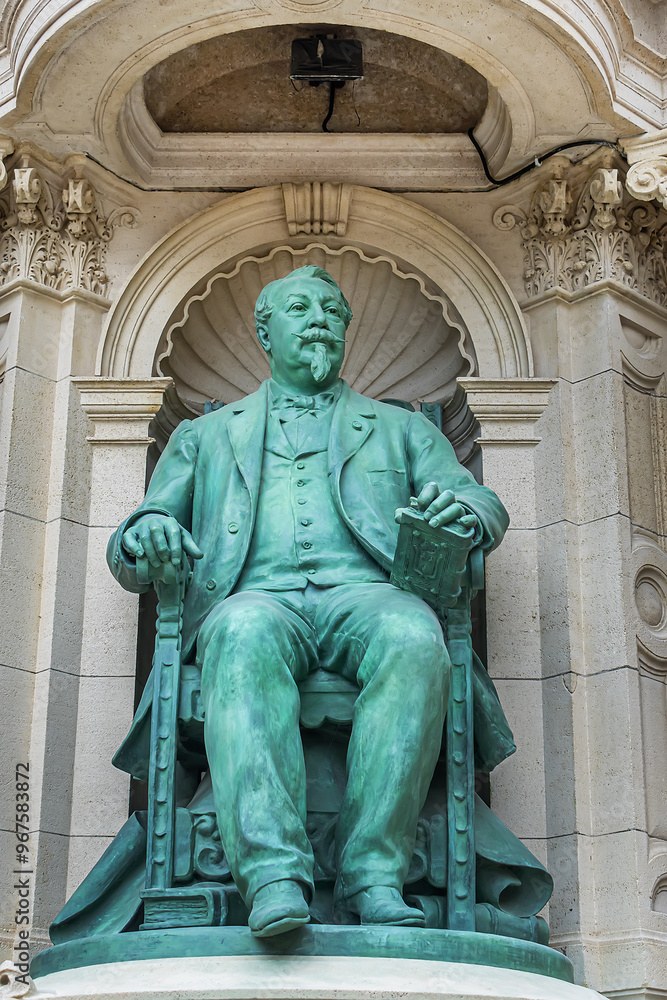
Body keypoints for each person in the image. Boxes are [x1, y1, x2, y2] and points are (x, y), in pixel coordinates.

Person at [107, 265, 510, 938]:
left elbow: (480, 501)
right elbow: (135, 541)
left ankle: (373, 873)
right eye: (300, 307)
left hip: (368, 595)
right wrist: (146, 531)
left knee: (414, 638)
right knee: (238, 632)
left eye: (331, 309)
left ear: (347, 330)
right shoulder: (204, 437)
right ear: (265, 331)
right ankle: (271, 876)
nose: (319, 317)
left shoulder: (400, 429)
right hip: (257, 599)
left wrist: (466, 513)